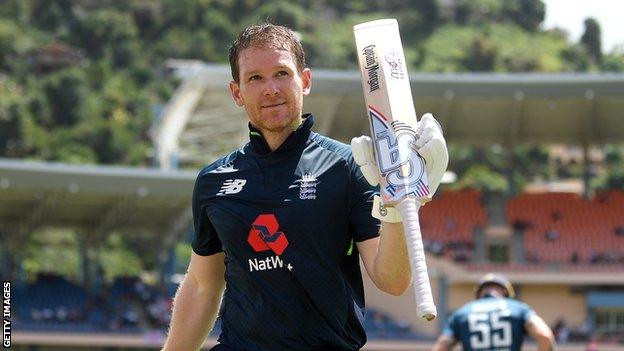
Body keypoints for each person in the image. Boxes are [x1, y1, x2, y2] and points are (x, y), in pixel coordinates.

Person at [163, 23, 448, 351]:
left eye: (281, 73)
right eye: (255, 78)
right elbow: (201, 285)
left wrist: (398, 205)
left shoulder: (348, 166)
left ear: (305, 81)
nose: (270, 89)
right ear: (237, 92)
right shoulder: (213, 181)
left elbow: (393, 280)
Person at [432, 273, 556, 351]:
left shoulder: (460, 314)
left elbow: (442, 346)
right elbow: (545, 336)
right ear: (506, 292)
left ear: (479, 293)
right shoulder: (519, 308)